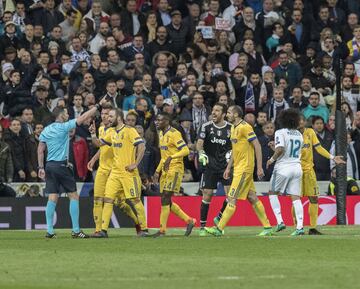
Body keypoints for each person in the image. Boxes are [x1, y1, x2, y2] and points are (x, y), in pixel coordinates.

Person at [37, 100, 105, 239]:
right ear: (61, 116)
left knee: (52, 197)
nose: (68, 115)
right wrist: (98, 106)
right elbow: (83, 117)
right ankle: (75, 230)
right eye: (66, 113)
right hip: (62, 165)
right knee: (74, 196)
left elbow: (40, 149)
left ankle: (49, 231)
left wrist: (40, 167)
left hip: (49, 166)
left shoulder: (46, 129)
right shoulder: (63, 127)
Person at [206, 105, 272, 237]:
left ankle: (219, 229)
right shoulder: (233, 127)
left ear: (235, 115)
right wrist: (228, 167)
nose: (227, 115)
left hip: (245, 169)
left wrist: (259, 167)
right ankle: (268, 227)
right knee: (252, 197)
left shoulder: (245, 127)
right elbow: (235, 151)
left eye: (229, 113)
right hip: (238, 167)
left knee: (231, 197)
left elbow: (257, 146)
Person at [87, 105, 142, 236]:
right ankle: (98, 230)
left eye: (108, 114)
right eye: (103, 114)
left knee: (120, 203)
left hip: (115, 170)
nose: (105, 116)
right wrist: (94, 159)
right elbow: (102, 147)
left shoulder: (115, 131)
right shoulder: (101, 129)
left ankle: (137, 222)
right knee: (98, 199)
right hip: (102, 169)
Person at [152, 112, 196, 237]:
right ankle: (189, 220)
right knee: (165, 199)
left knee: (165, 197)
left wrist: (172, 157)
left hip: (175, 168)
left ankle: (162, 230)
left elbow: (186, 150)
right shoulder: (161, 134)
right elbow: (163, 157)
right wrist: (157, 171)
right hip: (165, 169)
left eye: (160, 120)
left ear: (167, 121)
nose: (157, 122)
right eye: (157, 120)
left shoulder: (175, 134)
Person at [267, 109, 304, 236]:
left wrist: (271, 159)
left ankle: (280, 221)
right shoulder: (299, 134)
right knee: (296, 198)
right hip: (297, 167)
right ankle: (299, 227)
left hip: (283, 168)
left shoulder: (280, 132)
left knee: (272, 193)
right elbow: (290, 149)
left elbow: (281, 150)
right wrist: (275, 148)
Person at [196, 103, 232, 236]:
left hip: (225, 167)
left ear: (223, 114)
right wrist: (201, 153)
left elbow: (235, 147)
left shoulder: (231, 128)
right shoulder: (206, 126)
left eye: (217, 110)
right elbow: (199, 143)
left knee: (230, 196)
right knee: (207, 194)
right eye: (213, 110)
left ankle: (220, 217)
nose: (214, 113)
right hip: (210, 166)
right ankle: (202, 227)